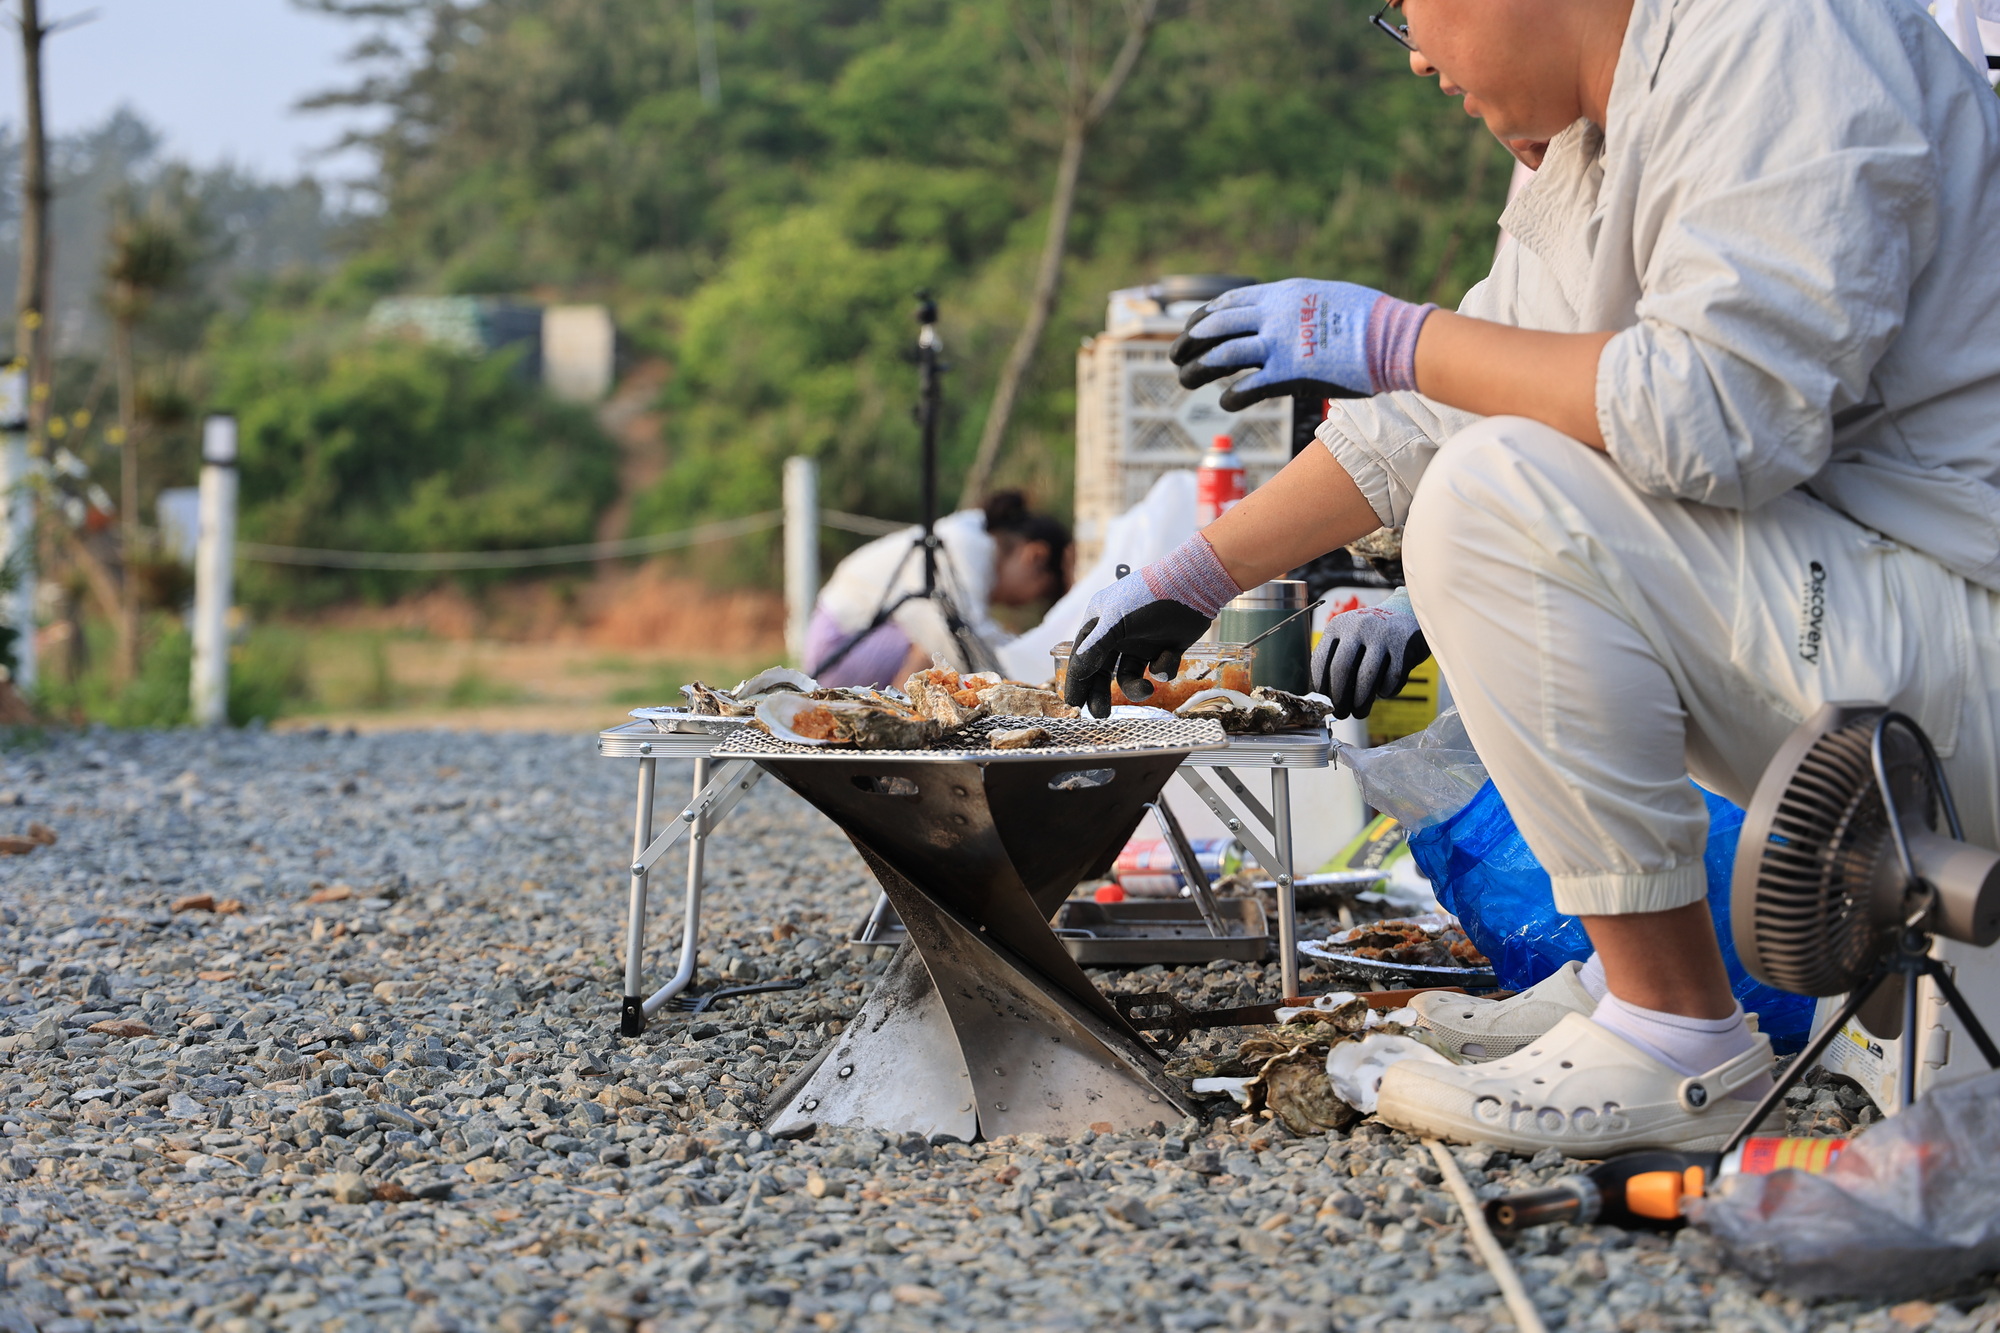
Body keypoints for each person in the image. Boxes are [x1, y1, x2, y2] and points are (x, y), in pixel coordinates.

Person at [1063, 0, 2000, 1154]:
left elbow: (1718, 416)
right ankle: (1633, 984)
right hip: (1880, 628)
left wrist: (1393, 336)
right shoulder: (1595, 139)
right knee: (1486, 465)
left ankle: (1672, 1037)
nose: (1412, 55)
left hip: (1961, 622)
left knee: (1498, 490)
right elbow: (1442, 401)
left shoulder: (1780, 33)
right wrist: (1195, 575)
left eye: (1410, 10)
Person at [806, 491, 1071, 687]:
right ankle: (898, 719)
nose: (1028, 602)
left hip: (851, 638)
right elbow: (961, 640)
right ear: (1035, 556)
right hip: (844, 645)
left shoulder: (969, 537)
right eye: (1041, 593)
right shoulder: (970, 545)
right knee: (939, 641)